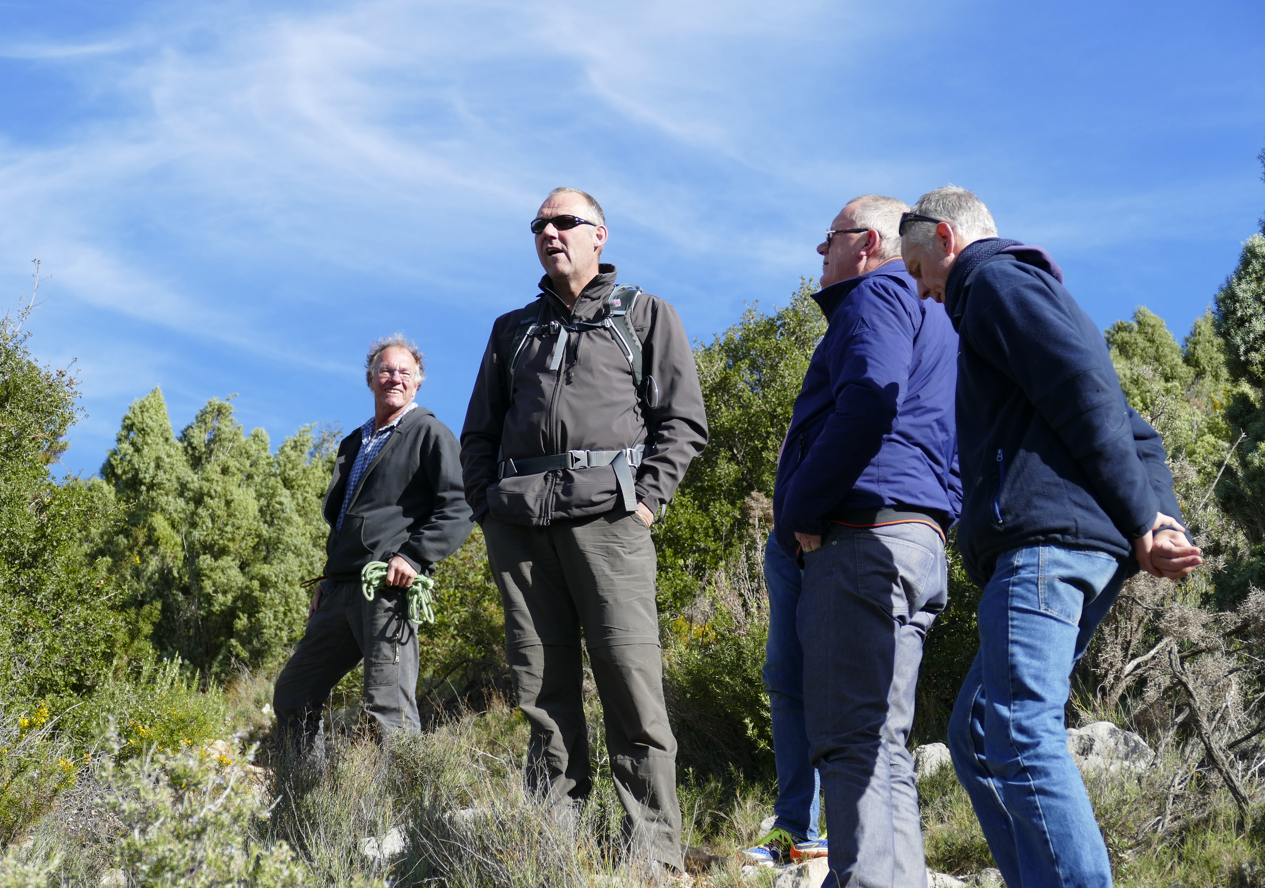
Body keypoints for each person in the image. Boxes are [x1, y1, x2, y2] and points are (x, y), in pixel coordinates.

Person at [900, 185, 1203, 888]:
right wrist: (1157, 519)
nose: (920, 293)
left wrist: (1141, 522)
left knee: (1015, 731)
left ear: (945, 239)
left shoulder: (993, 280)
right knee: (976, 736)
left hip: (1044, 546)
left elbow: (1083, 395)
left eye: (917, 271)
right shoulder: (1021, 293)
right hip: (1070, 546)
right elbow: (1138, 431)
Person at [460, 187, 708, 874]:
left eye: (564, 221)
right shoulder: (512, 331)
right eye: (539, 223)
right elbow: (477, 433)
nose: (549, 231)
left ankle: (651, 860)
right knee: (542, 695)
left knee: (631, 688)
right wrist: (487, 508)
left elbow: (682, 422)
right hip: (520, 529)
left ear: (599, 235)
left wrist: (647, 500)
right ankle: (552, 852)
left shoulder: (644, 314)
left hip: (610, 521)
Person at [768, 195, 962, 884]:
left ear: (869, 241)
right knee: (882, 743)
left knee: (851, 742)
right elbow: (959, 440)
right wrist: (940, 518)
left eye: (829, 239)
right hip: (918, 543)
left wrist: (803, 509)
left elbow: (868, 402)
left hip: (860, 539)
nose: (819, 254)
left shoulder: (877, 294)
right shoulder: (943, 316)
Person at [273, 334, 472, 761]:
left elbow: (459, 506)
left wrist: (414, 557)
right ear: (370, 379)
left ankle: (406, 818)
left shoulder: (429, 433)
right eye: (385, 370)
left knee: (388, 707)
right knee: (294, 693)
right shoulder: (355, 442)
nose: (394, 378)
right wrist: (326, 581)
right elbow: (345, 519)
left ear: (418, 382)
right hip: (341, 590)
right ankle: (306, 796)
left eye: (404, 372)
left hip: (387, 587)